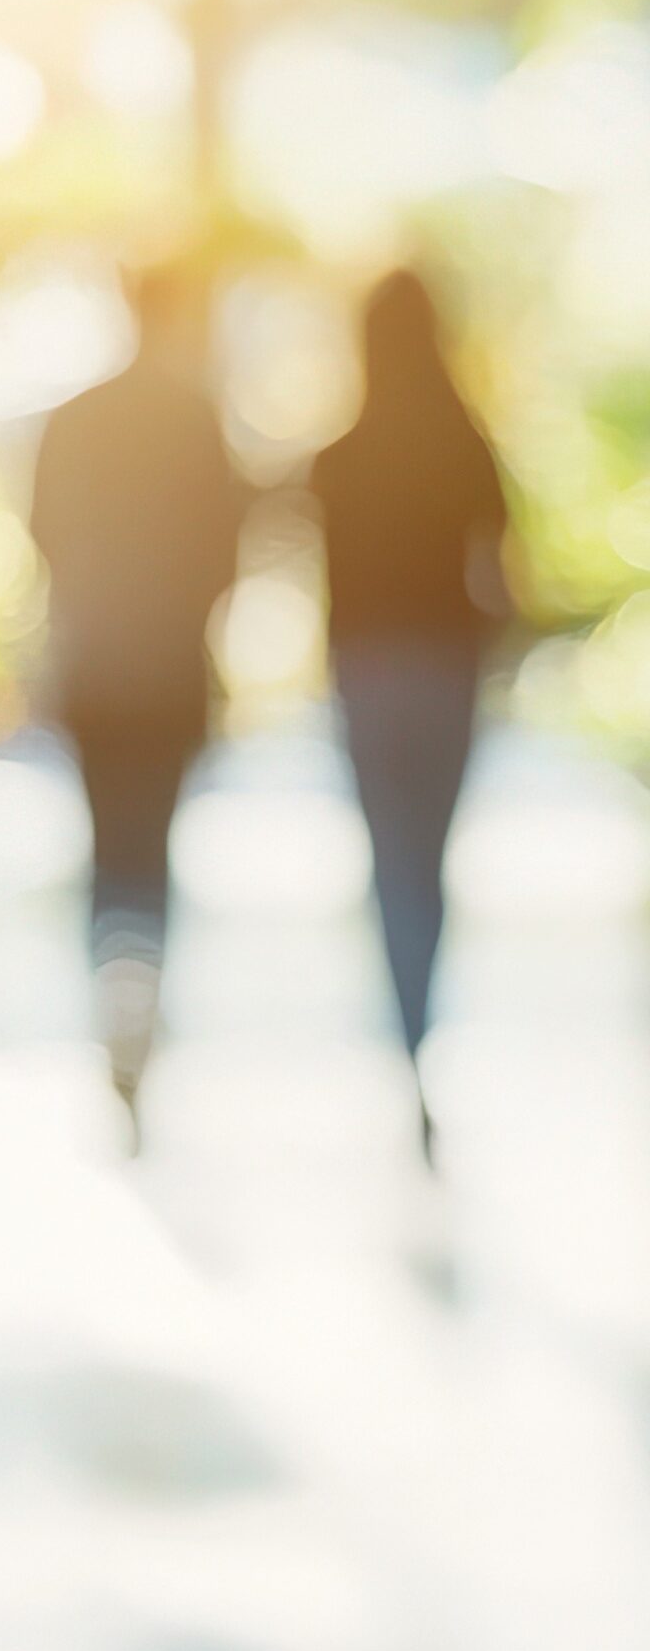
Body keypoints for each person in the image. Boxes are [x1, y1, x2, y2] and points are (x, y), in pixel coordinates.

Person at [31, 265, 247, 1122]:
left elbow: (40, 532)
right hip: (169, 666)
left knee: (104, 837)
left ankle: (109, 1000)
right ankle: (142, 1004)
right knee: (152, 839)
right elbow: (230, 545)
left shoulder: (76, 416)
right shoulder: (197, 418)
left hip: (95, 660)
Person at [312, 270, 509, 1151]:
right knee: (427, 856)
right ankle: (419, 1035)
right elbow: (501, 570)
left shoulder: (339, 452)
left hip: (369, 675)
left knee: (393, 857)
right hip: (446, 672)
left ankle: (410, 1035)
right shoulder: (466, 441)